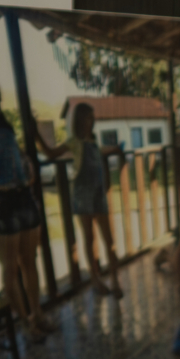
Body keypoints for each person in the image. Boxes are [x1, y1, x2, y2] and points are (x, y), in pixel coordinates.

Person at [0, 78, 45, 334]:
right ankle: (24, 323)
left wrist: (26, 160)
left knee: (30, 262)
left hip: (23, 197)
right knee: (10, 268)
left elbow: (14, 151)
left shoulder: (4, 128)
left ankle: (37, 314)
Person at [60, 102, 120, 298]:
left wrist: (115, 150)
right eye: (88, 118)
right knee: (89, 238)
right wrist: (35, 135)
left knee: (109, 240)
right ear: (79, 120)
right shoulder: (73, 142)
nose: (91, 122)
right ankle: (95, 280)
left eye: (93, 118)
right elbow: (52, 153)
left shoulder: (93, 142)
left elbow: (102, 152)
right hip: (82, 196)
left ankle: (115, 280)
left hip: (98, 196)